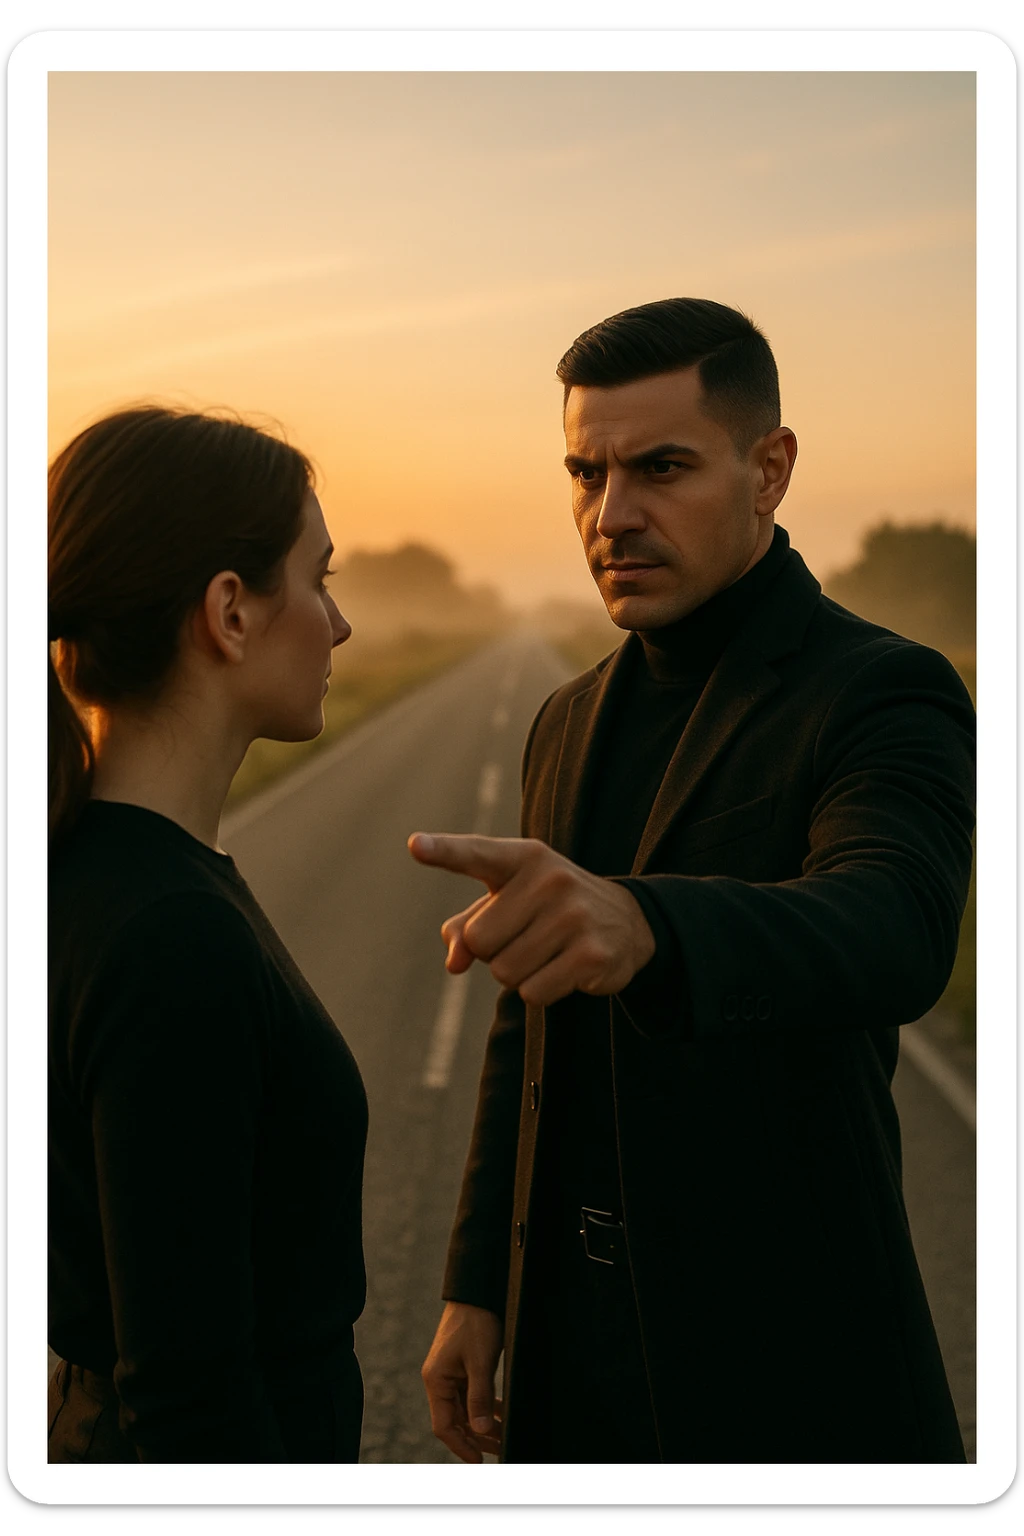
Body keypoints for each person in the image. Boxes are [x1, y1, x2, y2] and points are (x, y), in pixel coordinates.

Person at [409, 298, 975, 1464]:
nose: (612, 515)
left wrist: (652, 925)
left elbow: (894, 924)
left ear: (768, 470)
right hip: (573, 1353)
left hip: (782, 1358)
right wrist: (481, 1283)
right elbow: (528, 1021)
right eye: (585, 471)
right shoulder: (564, 720)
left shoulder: (880, 689)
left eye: (661, 467)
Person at [48, 406, 368, 1463]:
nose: (340, 623)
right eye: (318, 579)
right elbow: (190, 1401)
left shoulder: (91, 877)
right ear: (229, 611)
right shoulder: (172, 939)